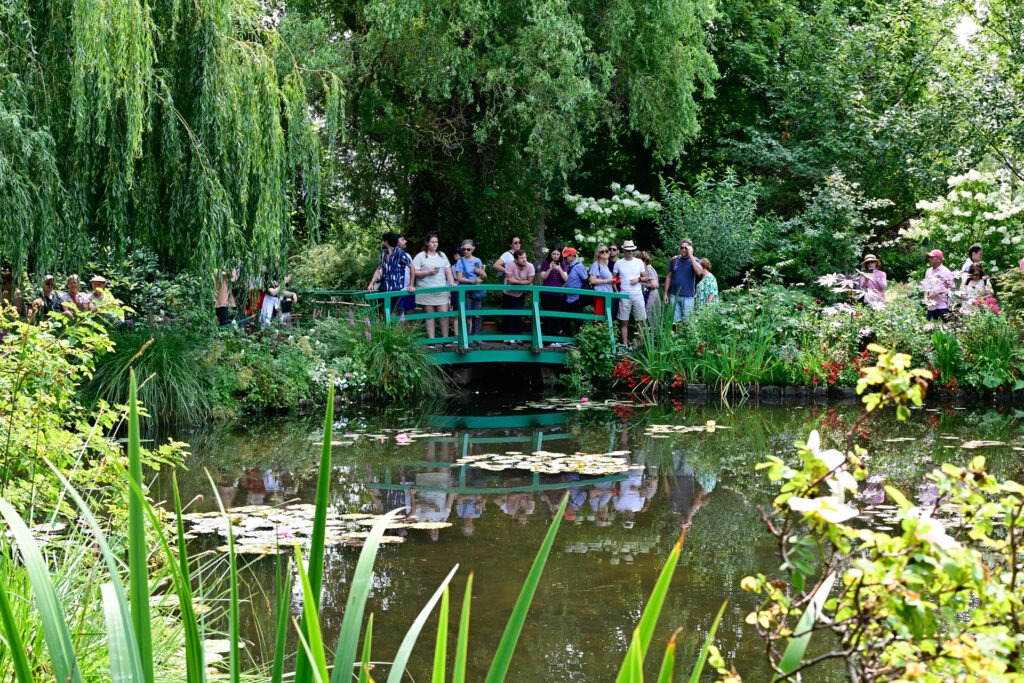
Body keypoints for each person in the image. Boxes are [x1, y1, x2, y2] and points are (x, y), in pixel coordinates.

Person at [412, 233, 455, 347]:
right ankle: (431, 342)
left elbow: (448, 271)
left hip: (441, 290)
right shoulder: (420, 256)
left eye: (436, 242)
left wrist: (451, 283)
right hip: (426, 290)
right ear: (427, 243)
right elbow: (414, 272)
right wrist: (427, 272)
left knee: (444, 316)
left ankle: (445, 340)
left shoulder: (442, 255)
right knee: (429, 317)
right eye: (432, 242)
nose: (435, 244)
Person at [368, 231, 416, 314]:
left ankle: (391, 327)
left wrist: (411, 285)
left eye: (383, 240)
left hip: (395, 289)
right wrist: (371, 283)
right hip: (383, 289)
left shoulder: (400, 253)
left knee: (393, 314)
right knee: (382, 313)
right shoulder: (383, 253)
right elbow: (379, 269)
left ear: (387, 241)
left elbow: (412, 268)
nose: (382, 242)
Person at [613, 240, 648, 346]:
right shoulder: (618, 263)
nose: (630, 252)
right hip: (624, 294)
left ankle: (638, 345)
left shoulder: (639, 262)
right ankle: (625, 345)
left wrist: (638, 279)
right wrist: (616, 291)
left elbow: (646, 278)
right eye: (627, 250)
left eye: (631, 250)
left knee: (641, 321)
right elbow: (613, 279)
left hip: (637, 294)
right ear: (623, 250)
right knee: (624, 321)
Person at [453, 239, 487, 346]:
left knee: (477, 314)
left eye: (468, 249)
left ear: (472, 249)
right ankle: (468, 338)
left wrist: (481, 273)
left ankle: (476, 337)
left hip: (476, 290)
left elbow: (484, 277)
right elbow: (459, 278)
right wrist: (472, 281)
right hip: (466, 291)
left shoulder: (477, 260)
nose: (466, 251)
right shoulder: (460, 261)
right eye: (464, 249)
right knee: (467, 315)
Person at [662, 238, 704, 322]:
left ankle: (686, 336)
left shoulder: (695, 260)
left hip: (688, 297)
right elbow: (669, 277)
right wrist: (665, 293)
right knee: (676, 322)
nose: (684, 249)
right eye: (682, 247)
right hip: (674, 296)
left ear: (690, 249)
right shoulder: (674, 260)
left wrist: (691, 255)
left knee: (688, 322)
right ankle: (678, 335)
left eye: (686, 248)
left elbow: (699, 272)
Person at [502, 249, 535, 344]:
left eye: (525, 257)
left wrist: (517, 282)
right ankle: (508, 337)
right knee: (508, 315)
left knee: (517, 315)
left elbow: (529, 281)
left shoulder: (530, 266)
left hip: (520, 294)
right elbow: (509, 279)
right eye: (521, 258)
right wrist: (523, 282)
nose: (524, 259)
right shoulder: (511, 265)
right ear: (516, 260)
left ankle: (517, 336)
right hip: (508, 293)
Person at [538, 245, 567, 342]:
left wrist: (559, 269)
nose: (555, 256)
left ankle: (555, 339)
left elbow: (566, 279)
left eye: (558, 254)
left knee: (556, 316)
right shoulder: (546, 262)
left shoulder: (562, 263)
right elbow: (543, 277)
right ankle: (547, 339)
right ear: (550, 254)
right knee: (548, 316)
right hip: (546, 293)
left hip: (558, 294)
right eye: (554, 254)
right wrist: (550, 268)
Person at [562, 247, 589, 338]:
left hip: (577, 298)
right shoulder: (568, 266)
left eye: (566, 257)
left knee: (578, 321)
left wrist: (582, 294)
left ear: (573, 256)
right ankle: (568, 338)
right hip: (568, 298)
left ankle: (579, 340)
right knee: (565, 319)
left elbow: (585, 280)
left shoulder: (579, 266)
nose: (565, 259)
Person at [921, 249, 954, 322]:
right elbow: (926, 286)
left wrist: (938, 293)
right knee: (930, 328)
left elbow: (952, 289)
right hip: (931, 306)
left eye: (932, 257)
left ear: (939, 259)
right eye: (929, 258)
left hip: (943, 305)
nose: (930, 259)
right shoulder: (928, 271)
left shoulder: (946, 272)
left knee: (946, 328)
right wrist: (925, 297)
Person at [589, 245, 615, 319]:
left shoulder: (605, 265)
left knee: (606, 317)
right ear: (598, 254)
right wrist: (607, 280)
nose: (605, 253)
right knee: (599, 316)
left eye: (606, 251)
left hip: (607, 294)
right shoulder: (596, 264)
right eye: (602, 252)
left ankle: (603, 330)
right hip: (600, 294)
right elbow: (592, 280)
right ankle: (596, 330)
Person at [636, 251, 660, 324]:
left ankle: (653, 333)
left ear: (645, 260)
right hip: (648, 293)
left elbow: (654, 285)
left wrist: (641, 283)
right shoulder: (643, 269)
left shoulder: (649, 268)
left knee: (649, 313)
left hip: (652, 293)